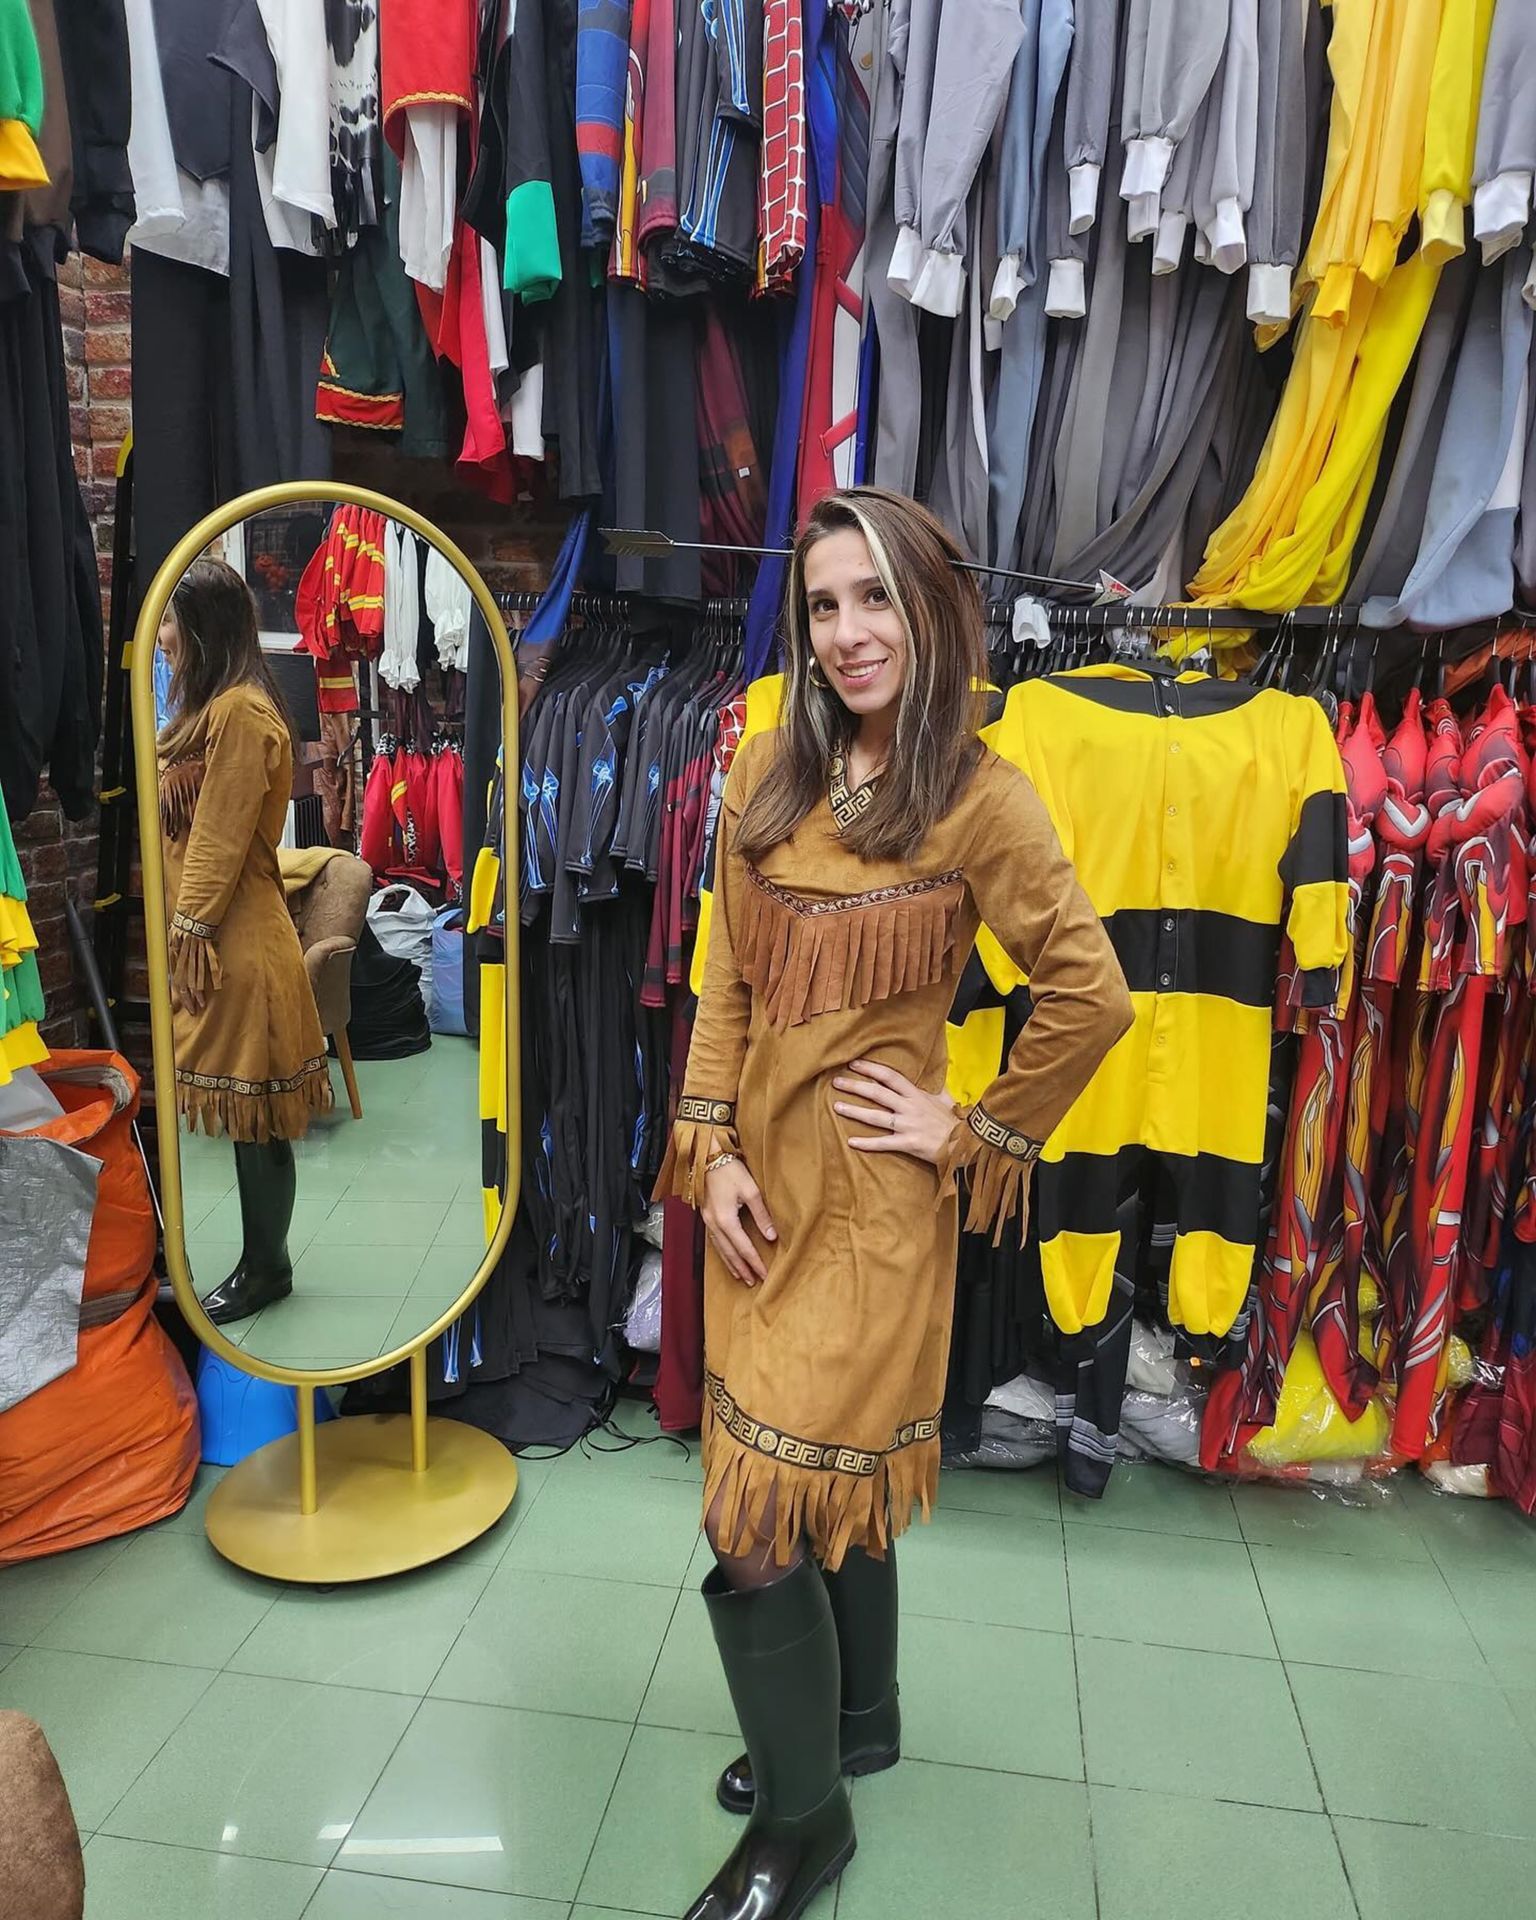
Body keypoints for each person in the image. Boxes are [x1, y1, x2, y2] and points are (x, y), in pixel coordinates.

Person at [657, 488, 1133, 1920]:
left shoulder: (983, 799)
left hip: (875, 1217)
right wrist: (709, 1149)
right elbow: (726, 977)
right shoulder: (767, 768)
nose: (849, 632)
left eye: (876, 597)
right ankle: (853, 1725)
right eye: (823, 604)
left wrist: (973, 1126)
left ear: (932, 608)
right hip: (758, 1204)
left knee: (754, 1513)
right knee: (807, 1481)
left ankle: (804, 1825)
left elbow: (1091, 993)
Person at [157, 556, 332, 1324]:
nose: (162, 637)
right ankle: (263, 1264)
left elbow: (220, 839)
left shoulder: (239, 713)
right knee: (244, 1119)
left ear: (204, 626)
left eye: (170, 621)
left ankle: (266, 1270)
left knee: (254, 1118)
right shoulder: (204, 714)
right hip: (220, 943)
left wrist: (186, 933)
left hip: (237, 945)